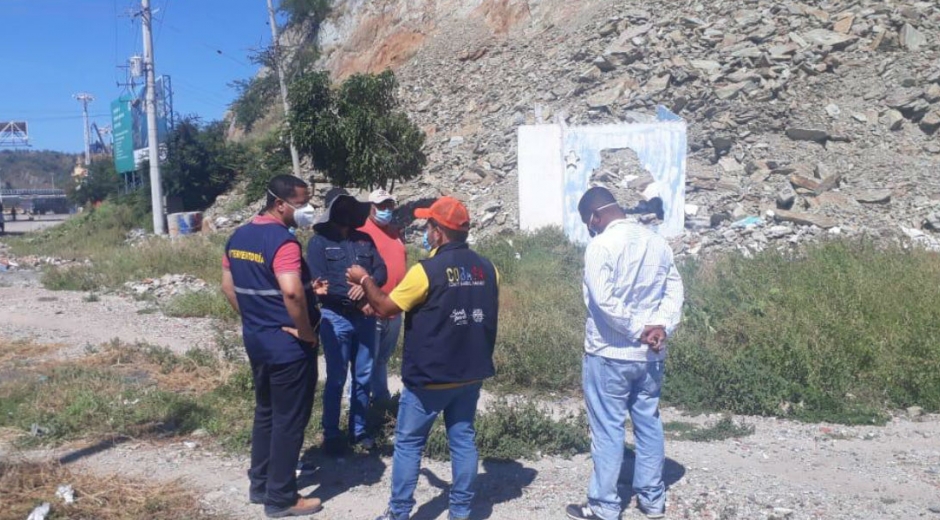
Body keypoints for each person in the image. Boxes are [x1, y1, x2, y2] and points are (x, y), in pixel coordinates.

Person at [346, 196, 500, 520]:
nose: (425, 231)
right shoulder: (489, 268)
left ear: (440, 232)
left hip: (429, 377)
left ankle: (399, 513)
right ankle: (460, 512)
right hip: (471, 373)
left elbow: (386, 308)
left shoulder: (425, 271)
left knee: (409, 444)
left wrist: (364, 279)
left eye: (429, 225)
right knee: (463, 440)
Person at [565, 187, 684, 520]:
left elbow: (603, 302)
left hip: (609, 353)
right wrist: (661, 327)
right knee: (648, 424)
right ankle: (651, 499)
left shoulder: (600, 246)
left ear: (595, 216)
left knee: (607, 429)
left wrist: (638, 330)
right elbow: (675, 292)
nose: (590, 227)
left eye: (587, 222)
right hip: (651, 357)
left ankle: (604, 506)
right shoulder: (657, 243)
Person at [220, 174, 324, 518]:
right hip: (288, 347)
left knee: (266, 412)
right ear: (280, 204)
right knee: (289, 419)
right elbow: (291, 292)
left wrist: (255, 319)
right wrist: (306, 332)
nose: (307, 209)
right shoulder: (283, 242)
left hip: (258, 340)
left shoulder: (239, 237)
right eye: (302, 202)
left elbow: (229, 288)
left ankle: (260, 483)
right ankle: (281, 497)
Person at [307, 190, 387, 455]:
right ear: (331, 211)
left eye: (350, 206)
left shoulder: (364, 239)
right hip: (335, 318)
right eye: (340, 207)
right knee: (336, 378)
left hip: (364, 317)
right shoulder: (319, 243)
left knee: (363, 377)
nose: (346, 211)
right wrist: (359, 296)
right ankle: (331, 434)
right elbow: (320, 283)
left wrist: (367, 288)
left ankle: (359, 431)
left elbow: (381, 270)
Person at [358, 188, 407, 403]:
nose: (385, 210)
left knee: (382, 359)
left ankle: (381, 399)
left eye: (389, 205)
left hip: (395, 307)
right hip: (373, 306)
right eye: (380, 206)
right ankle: (357, 405)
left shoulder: (396, 233)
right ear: (371, 207)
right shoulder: (361, 233)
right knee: (366, 360)